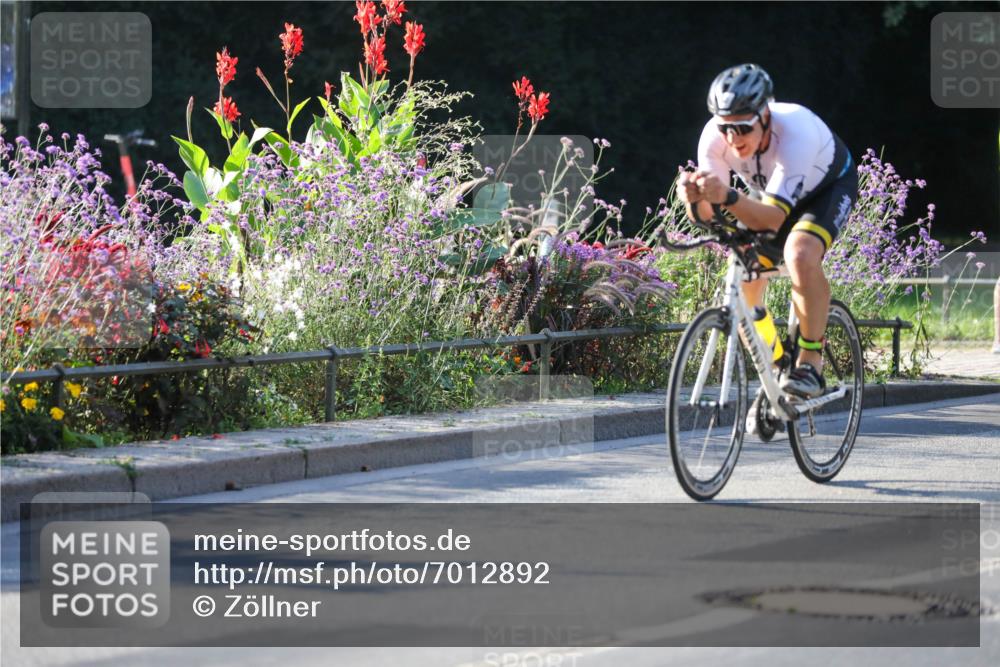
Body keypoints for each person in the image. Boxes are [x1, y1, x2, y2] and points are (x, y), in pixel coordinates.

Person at [676, 63, 857, 398]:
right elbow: (708, 214)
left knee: (799, 253)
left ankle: (810, 362)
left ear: (765, 116)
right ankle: (775, 366)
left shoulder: (795, 130)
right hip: (771, 197)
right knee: (746, 280)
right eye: (725, 128)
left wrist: (728, 196)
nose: (733, 138)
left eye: (743, 128)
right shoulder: (714, 139)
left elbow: (772, 219)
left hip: (826, 190)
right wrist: (692, 198)